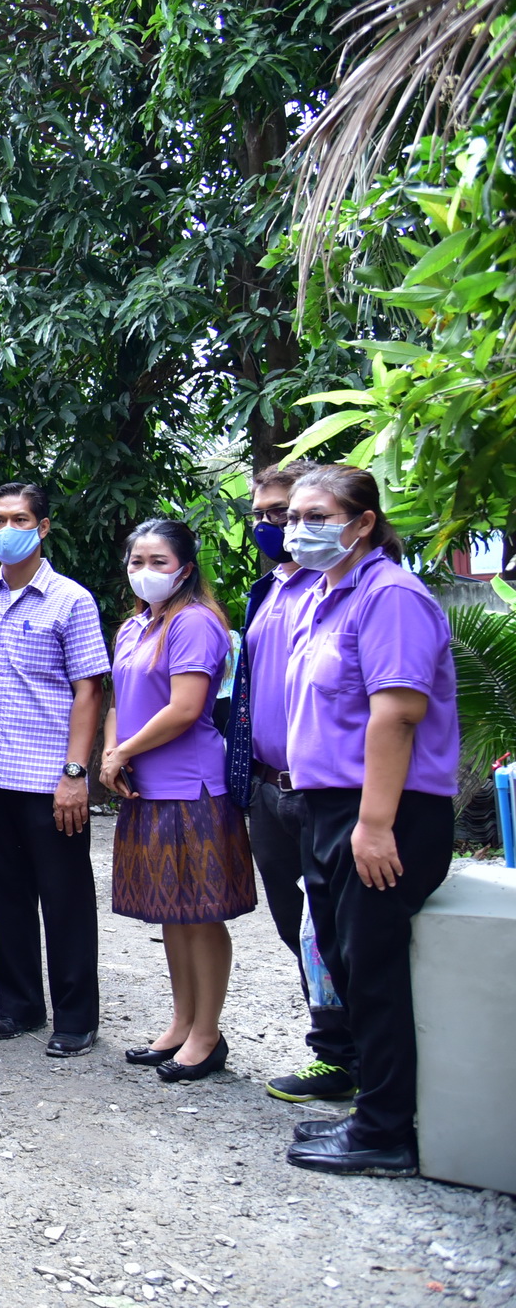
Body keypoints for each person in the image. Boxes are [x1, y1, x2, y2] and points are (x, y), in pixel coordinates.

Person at [279, 465, 459, 1177]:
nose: (299, 526)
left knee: (375, 968)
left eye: (317, 512)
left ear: (362, 521)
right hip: (329, 808)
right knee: (349, 962)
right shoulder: (325, 596)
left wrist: (375, 823)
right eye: (294, 513)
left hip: (382, 811)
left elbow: (398, 711)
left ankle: (387, 1131)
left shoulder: (391, 596)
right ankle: (375, 1111)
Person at [100, 520, 256, 1082]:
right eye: (137, 560)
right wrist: (112, 752)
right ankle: (181, 1022)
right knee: (171, 913)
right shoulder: (135, 627)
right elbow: (120, 698)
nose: (145, 571)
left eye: (158, 561)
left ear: (185, 568)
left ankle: (207, 1035)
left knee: (202, 914)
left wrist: (123, 754)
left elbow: (186, 707)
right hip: (144, 785)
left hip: (192, 787)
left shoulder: (194, 623)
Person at [0, 484, 109, 1058]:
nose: (5, 529)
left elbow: (88, 690)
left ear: (42, 528)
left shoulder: (71, 600)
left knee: (65, 895)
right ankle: (19, 1005)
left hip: (50, 777)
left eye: (18, 519)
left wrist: (76, 773)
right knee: (5, 895)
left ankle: (76, 1017)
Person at [223, 461, 351, 1104]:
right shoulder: (267, 590)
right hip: (269, 786)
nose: (278, 527)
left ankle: (347, 1056)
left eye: (291, 514)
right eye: (268, 515)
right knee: (293, 921)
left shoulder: (337, 589)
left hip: (323, 787)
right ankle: (333, 1043)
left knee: (338, 924)